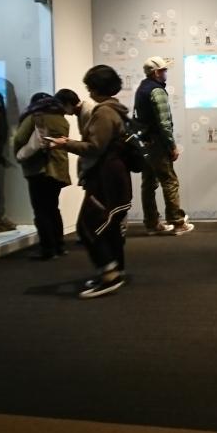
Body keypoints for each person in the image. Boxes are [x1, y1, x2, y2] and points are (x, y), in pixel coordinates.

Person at [49, 65, 132, 298]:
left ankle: (109, 275)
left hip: (105, 178)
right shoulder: (116, 109)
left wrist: (65, 144)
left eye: (89, 86)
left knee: (88, 226)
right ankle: (115, 270)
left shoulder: (103, 112)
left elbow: (95, 147)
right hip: (116, 177)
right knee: (110, 227)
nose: (88, 91)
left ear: (96, 87)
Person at [133, 56, 192, 235]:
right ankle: (177, 222)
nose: (166, 72)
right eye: (164, 70)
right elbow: (164, 123)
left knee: (148, 183)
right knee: (169, 181)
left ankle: (152, 223)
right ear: (156, 72)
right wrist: (172, 146)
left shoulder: (142, 88)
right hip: (158, 143)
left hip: (145, 142)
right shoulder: (157, 91)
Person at [12, 92, 70, 260]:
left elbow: (19, 138)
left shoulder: (35, 117)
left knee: (41, 210)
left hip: (39, 169)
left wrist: (18, 153)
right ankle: (59, 246)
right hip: (58, 168)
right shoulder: (62, 118)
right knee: (53, 208)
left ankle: (47, 249)